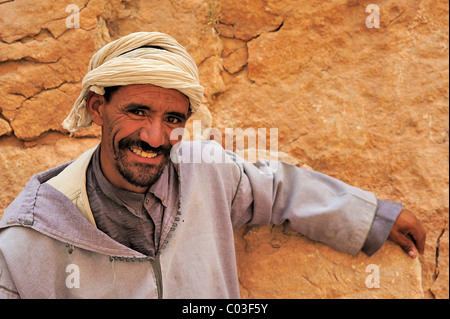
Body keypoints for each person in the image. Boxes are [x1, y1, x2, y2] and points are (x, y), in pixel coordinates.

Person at [0, 31, 426, 299]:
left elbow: (277, 189)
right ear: (97, 108)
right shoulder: (30, 239)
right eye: (137, 111)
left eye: (173, 119)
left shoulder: (203, 170)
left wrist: (370, 216)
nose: (153, 137)